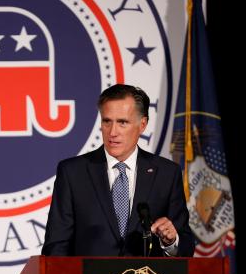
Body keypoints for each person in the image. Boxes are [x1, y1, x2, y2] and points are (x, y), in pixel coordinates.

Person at [41, 84, 194, 257]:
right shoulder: (73, 173)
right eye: (107, 121)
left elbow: (186, 246)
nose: (112, 132)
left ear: (142, 124)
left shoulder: (167, 174)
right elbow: (56, 246)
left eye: (122, 122)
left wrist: (171, 242)